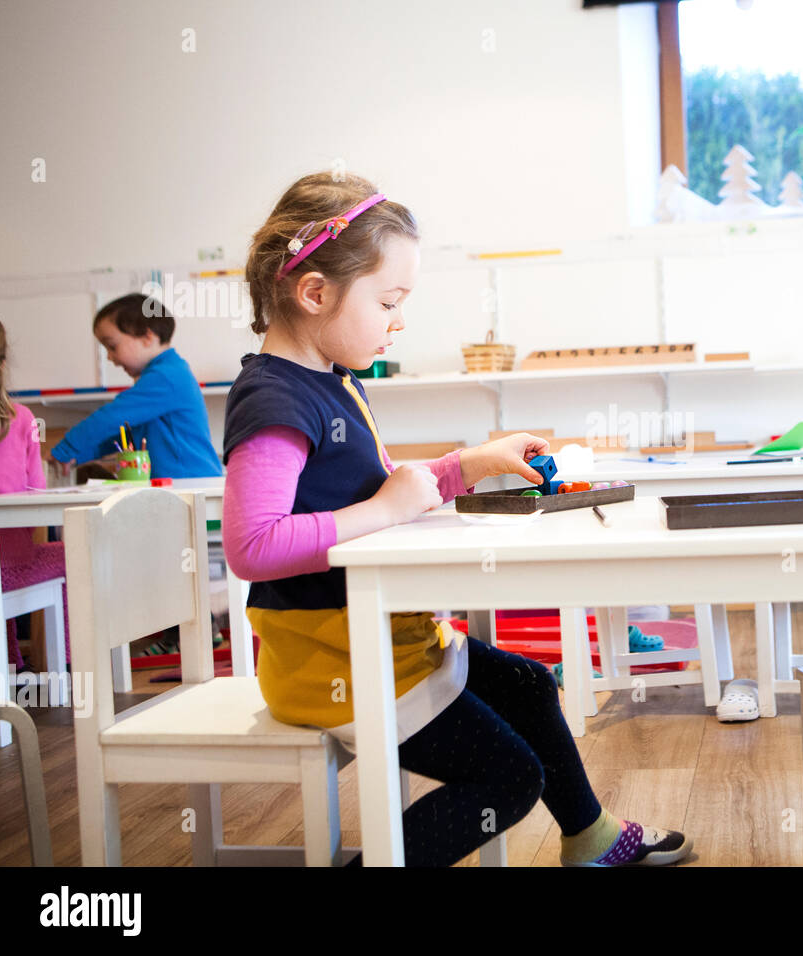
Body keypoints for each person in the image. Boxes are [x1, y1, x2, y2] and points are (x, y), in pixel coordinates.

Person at [222, 171, 691, 867]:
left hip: (382, 642)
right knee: (509, 777)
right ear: (314, 292)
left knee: (531, 684)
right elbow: (253, 547)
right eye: (388, 301)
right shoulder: (273, 402)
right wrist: (383, 509)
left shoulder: (333, 380)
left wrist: (473, 463)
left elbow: (394, 489)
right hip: (330, 661)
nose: (400, 320)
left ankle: (589, 839)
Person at [49, 293, 222, 480]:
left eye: (112, 346)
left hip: (192, 484)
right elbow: (120, 437)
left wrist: (66, 449)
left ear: (148, 337)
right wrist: (76, 456)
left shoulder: (166, 376)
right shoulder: (162, 376)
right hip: (182, 487)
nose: (109, 357)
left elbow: (111, 417)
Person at [0, 310, 69, 672]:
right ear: (2, 362)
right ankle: (69, 663)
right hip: (8, 570)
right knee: (75, 555)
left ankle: (8, 660)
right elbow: (37, 498)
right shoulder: (21, 419)